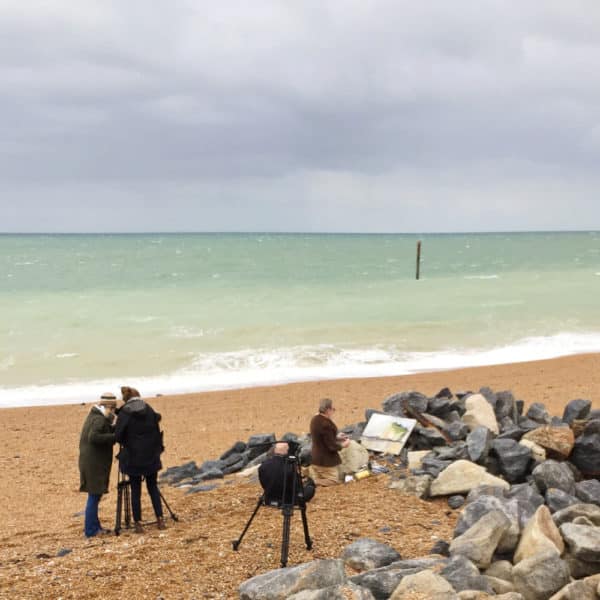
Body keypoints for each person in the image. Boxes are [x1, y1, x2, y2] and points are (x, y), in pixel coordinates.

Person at [115, 386, 165, 533]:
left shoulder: (125, 412)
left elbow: (118, 436)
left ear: (125, 399)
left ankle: (138, 523)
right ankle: (160, 519)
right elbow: (157, 423)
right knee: (153, 487)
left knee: (135, 490)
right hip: (151, 456)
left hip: (133, 458)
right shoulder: (148, 409)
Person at [79, 392, 117, 538]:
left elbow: (101, 432)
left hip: (90, 461)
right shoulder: (99, 419)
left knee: (94, 495)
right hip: (93, 463)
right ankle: (90, 530)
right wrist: (115, 436)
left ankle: (95, 527)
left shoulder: (95, 415)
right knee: (94, 496)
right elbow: (94, 437)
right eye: (113, 409)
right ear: (108, 407)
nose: (114, 412)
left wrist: (112, 429)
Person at [309, 398, 349, 486]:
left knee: (325, 477)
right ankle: (313, 482)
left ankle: (315, 480)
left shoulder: (315, 419)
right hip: (324, 462)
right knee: (334, 481)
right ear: (328, 410)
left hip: (315, 459)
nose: (333, 411)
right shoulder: (325, 424)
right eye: (333, 409)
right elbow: (331, 446)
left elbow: (322, 438)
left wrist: (336, 437)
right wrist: (343, 445)